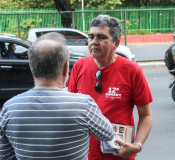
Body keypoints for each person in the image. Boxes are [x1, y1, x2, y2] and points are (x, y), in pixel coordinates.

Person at [0, 32, 114, 160]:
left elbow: (5, 155)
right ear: (66, 68)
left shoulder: (10, 108)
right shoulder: (83, 105)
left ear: (31, 67)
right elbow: (108, 134)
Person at [67, 15, 153, 160]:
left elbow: (146, 115)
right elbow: (70, 111)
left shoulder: (132, 70)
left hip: (119, 155)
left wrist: (137, 145)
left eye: (101, 37)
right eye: (91, 37)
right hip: (84, 155)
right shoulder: (79, 66)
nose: (94, 42)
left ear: (116, 43)